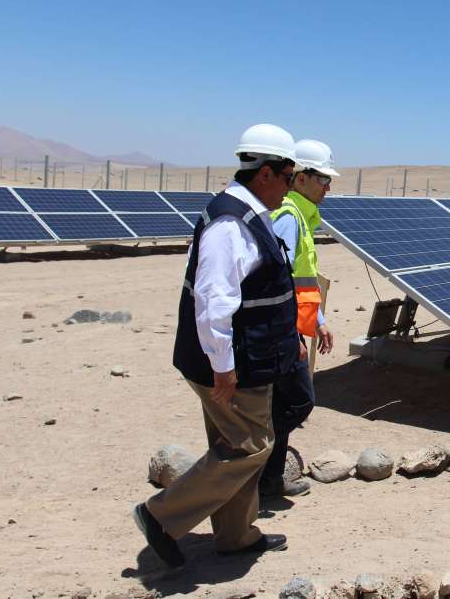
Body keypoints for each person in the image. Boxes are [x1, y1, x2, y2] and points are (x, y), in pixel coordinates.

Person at [132, 123, 304, 568]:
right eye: (288, 177)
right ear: (265, 173)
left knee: (233, 445)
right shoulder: (232, 223)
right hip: (232, 365)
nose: (290, 188)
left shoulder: (247, 213)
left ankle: (236, 536)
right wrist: (223, 368)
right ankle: (161, 515)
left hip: (247, 358)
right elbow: (213, 303)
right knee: (251, 446)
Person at [259, 139, 339, 498]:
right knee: (296, 402)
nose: (328, 186)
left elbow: (303, 279)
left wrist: (318, 320)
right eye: (322, 178)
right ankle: (257, 471)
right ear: (301, 177)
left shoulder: (300, 217)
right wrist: (290, 335)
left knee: (282, 404)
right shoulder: (289, 218)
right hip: (283, 331)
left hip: (294, 328)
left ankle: (270, 477)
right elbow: (278, 282)